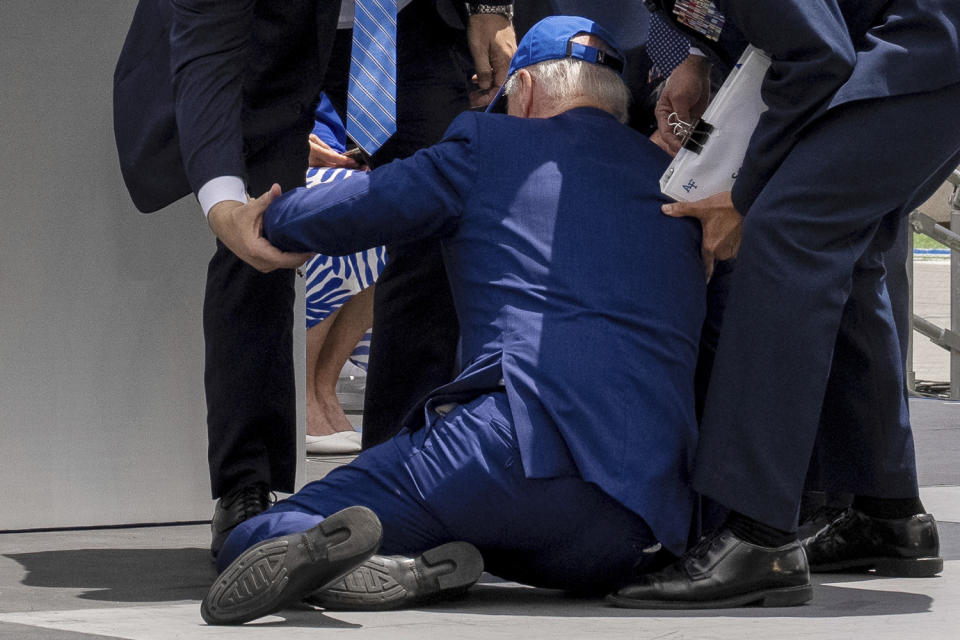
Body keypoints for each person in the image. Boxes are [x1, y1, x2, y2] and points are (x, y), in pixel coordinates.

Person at [199, 16, 707, 625]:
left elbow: (352, 208)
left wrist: (260, 219)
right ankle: (427, 563)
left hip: (503, 452)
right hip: (636, 520)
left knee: (260, 534)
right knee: (512, 539)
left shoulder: (488, 145)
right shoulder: (679, 187)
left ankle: (376, 558)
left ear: (523, 92)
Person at [112, 0, 517, 559]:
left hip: (414, 23)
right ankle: (248, 489)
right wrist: (223, 205)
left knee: (439, 220)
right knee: (257, 231)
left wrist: (491, 6)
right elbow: (207, 51)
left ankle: (403, 477)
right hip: (268, 27)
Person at [608, 0, 960, 609]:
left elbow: (817, 54)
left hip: (928, 45)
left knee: (787, 233)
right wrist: (699, 59)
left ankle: (756, 534)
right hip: (915, 42)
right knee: (845, 249)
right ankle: (886, 510)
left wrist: (745, 195)